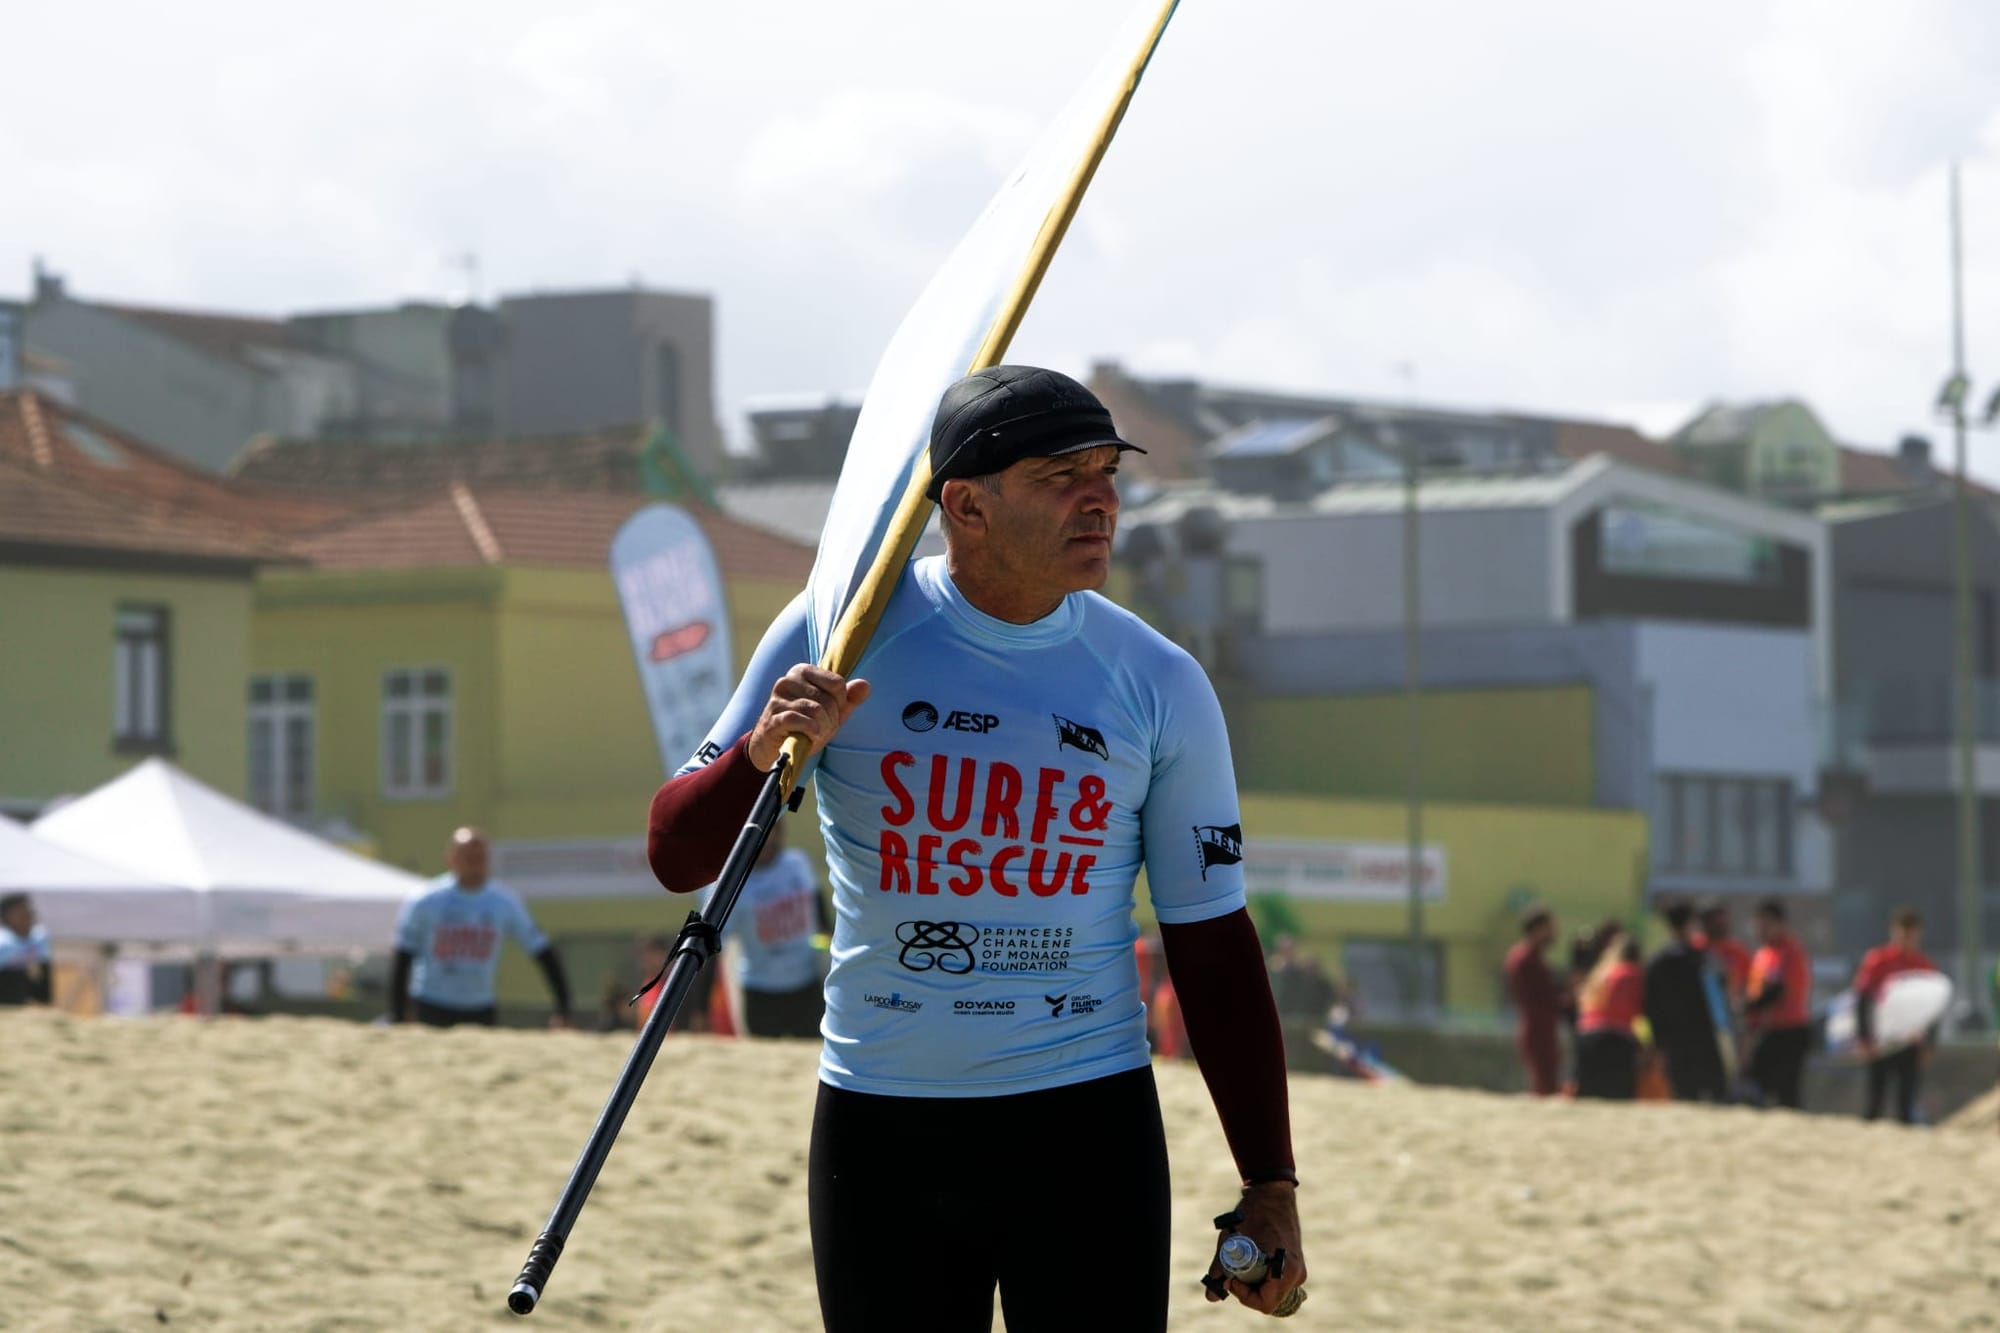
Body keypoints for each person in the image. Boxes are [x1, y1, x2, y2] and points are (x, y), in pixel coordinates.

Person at [646, 365, 1304, 1328]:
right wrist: (758, 755)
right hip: (883, 1126)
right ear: (966, 503)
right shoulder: (839, 632)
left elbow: (1211, 943)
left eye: (1108, 473)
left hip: (1084, 1125)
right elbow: (676, 850)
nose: (1102, 500)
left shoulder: (1159, 681)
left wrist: (1270, 1181)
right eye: (1061, 475)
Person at [389, 827, 571, 1029]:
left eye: (479, 856)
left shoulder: (504, 902)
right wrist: (398, 1014)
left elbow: (542, 951)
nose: (474, 862)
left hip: (480, 1006)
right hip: (431, 1003)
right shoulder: (425, 900)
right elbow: (403, 956)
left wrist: (563, 1008)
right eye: (467, 855)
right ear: (450, 858)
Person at [714, 819, 827, 1038]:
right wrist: (700, 1006)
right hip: (760, 990)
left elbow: (817, 903)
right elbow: (716, 944)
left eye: (772, 834)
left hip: (806, 983)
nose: (767, 843)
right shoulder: (735, 884)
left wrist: (828, 937)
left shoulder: (798, 863)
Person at [1852, 908, 1939, 1124]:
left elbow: (1933, 1008)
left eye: (1911, 934)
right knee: (1875, 1099)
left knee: (1906, 1101)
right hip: (1881, 1039)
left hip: (1910, 1042)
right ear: (1893, 932)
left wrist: (1929, 1044)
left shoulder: (1924, 965)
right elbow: (1863, 999)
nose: (1906, 939)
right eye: (1902, 933)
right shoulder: (1878, 960)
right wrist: (1864, 1037)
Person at [1644, 900, 1727, 1102]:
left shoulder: (1657, 963)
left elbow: (1651, 1007)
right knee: (1713, 1098)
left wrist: (1657, 1044)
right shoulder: (1705, 960)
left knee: (1683, 1096)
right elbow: (1720, 1004)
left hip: (1675, 1041)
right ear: (1690, 924)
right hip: (1706, 1040)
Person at [1743, 897, 1812, 1109]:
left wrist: (1749, 1005)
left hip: (1790, 1029)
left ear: (1780, 924)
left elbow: (1779, 990)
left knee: (1786, 1090)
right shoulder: (1763, 954)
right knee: (1755, 1082)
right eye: (1759, 924)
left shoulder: (1791, 952)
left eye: (1766, 924)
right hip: (1768, 1028)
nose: (1761, 930)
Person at [1574, 927, 1644, 1100]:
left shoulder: (1601, 972)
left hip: (1587, 1033)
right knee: (1618, 1094)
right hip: (1616, 1037)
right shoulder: (1633, 974)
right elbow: (1639, 1012)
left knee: (1590, 1093)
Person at [1503, 907, 1566, 1096]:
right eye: (1549, 929)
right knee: (1544, 1087)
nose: (1553, 934)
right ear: (1537, 929)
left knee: (1546, 1084)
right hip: (1538, 1029)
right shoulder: (1525, 959)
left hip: (1541, 1027)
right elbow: (1542, 998)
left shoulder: (1527, 957)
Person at [0, 892, 53, 1007]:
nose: (27, 917)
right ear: (6, 916)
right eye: (21, 914)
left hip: (30, 1001)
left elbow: (44, 977)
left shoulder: (39, 938)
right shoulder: (3, 942)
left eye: (28, 913)